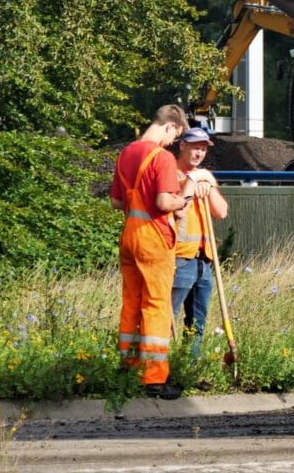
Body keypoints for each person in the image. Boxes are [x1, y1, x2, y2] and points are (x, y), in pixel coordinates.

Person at [109, 104, 190, 400]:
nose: (173, 143)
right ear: (169, 126)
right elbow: (164, 201)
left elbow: (116, 202)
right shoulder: (162, 157)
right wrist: (183, 201)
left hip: (129, 237)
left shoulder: (126, 153)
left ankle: (128, 367)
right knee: (156, 304)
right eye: (175, 136)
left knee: (131, 301)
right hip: (154, 240)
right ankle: (154, 378)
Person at [171, 127, 228, 349]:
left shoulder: (203, 178)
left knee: (197, 323)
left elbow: (221, 212)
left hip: (203, 259)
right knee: (167, 319)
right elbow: (178, 210)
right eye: (195, 148)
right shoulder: (171, 175)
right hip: (180, 259)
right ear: (182, 146)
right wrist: (193, 180)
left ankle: (190, 369)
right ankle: (158, 368)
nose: (199, 153)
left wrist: (208, 184)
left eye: (203, 149)